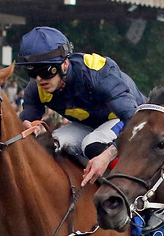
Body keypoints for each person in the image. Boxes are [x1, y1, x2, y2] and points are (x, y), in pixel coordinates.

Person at [14, 27, 146, 186]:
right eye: (32, 72)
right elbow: (27, 117)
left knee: (92, 144)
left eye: (45, 71)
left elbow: (133, 120)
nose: (40, 79)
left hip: (132, 119)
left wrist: (107, 155)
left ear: (64, 64)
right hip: (91, 125)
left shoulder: (97, 73)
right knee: (50, 146)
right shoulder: (37, 87)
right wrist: (25, 125)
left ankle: (137, 189)